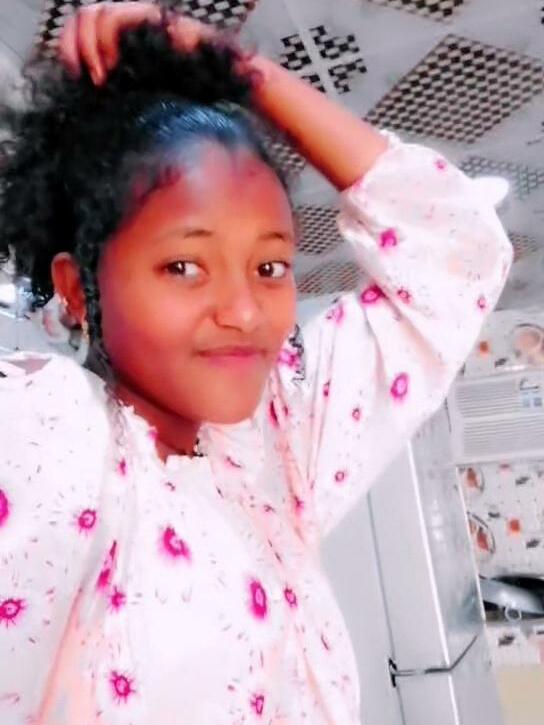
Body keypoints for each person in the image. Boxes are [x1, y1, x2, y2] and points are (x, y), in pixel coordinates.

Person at [0, 3, 512, 723]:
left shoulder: (277, 444)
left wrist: (234, 67)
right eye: (184, 266)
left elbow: (455, 254)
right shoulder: (51, 431)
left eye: (270, 266)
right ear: (77, 290)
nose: (245, 311)